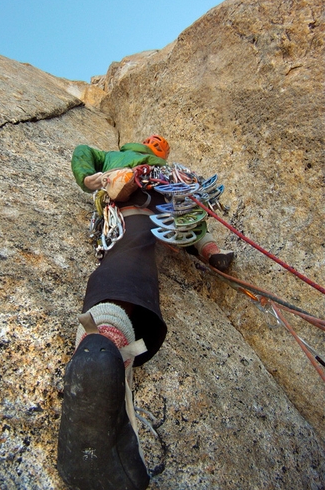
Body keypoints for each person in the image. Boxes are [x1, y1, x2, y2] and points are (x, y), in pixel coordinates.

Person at [57, 136, 234, 490]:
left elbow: (195, 219)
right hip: (132, 198)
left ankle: (100, 355)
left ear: (164, 153)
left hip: (161, 202)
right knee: (135, 239)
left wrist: (209, 250)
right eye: (153, 139)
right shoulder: (117, 156)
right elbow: (83, 153)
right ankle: (104, 342)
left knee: (148, 231)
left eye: (163, 144)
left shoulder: (169, 171)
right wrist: (93, 178)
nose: (157, 141)